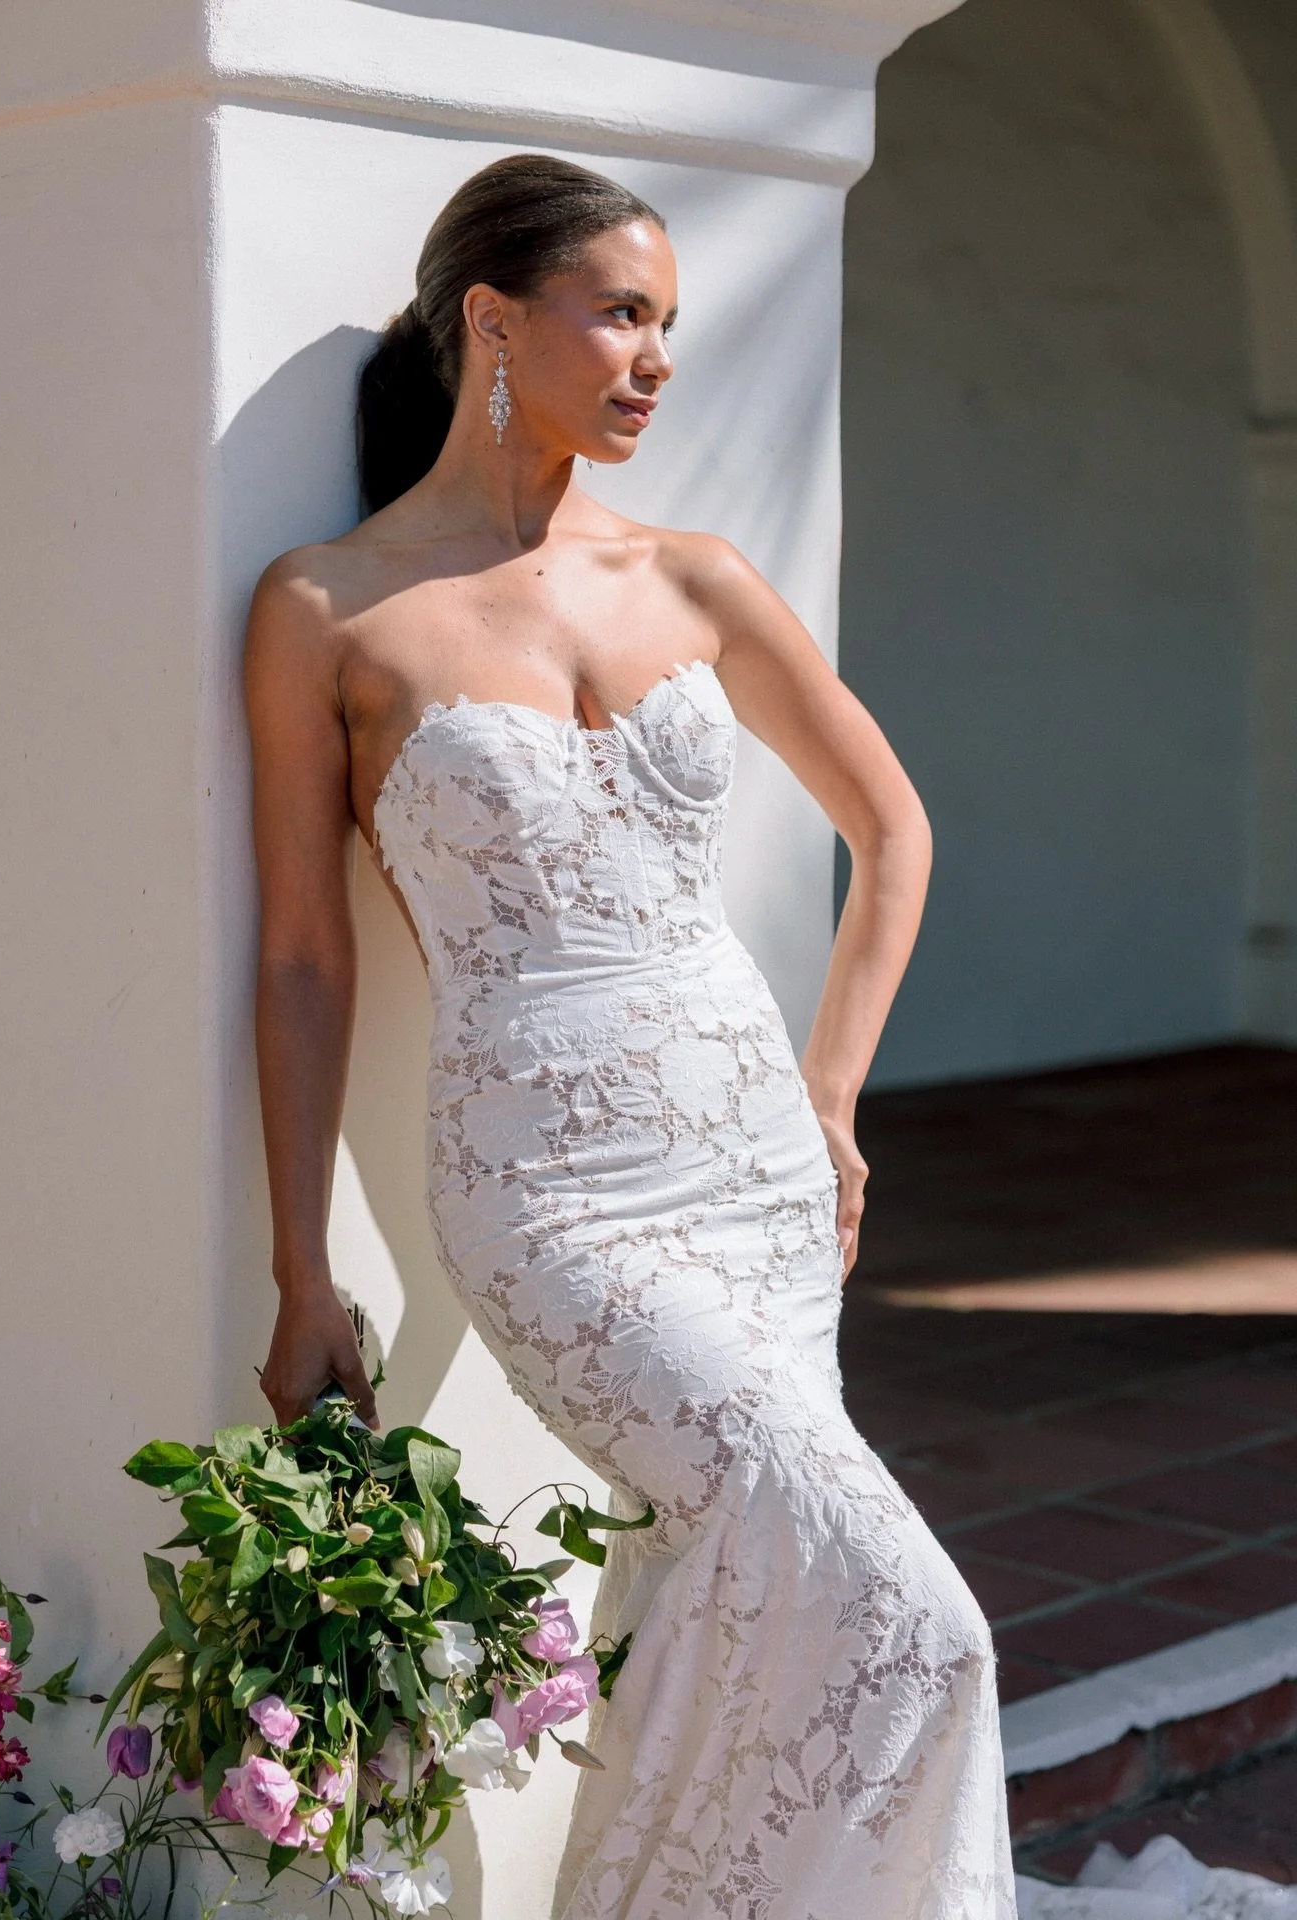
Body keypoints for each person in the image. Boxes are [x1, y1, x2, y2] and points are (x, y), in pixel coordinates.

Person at [244, 153, 1015, 1920]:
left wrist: (830, 1096)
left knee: (736, 1587)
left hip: (751, 1160)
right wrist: (304, 1272)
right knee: (911, 1612)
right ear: (494, 323)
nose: (659, 357)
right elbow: (301, 959)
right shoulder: (327, 609)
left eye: (672, 319)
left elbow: (891, 829)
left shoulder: (696, 577)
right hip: (551, 1194)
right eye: (625, 313)